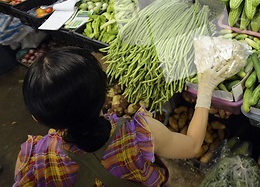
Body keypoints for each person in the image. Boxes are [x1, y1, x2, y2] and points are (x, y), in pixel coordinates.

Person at [14, 47, 231, 186]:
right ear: (105, 93)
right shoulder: (139, 133)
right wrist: (205, 88)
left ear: (36, 117)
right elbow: (192, 146)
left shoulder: (33, 160)